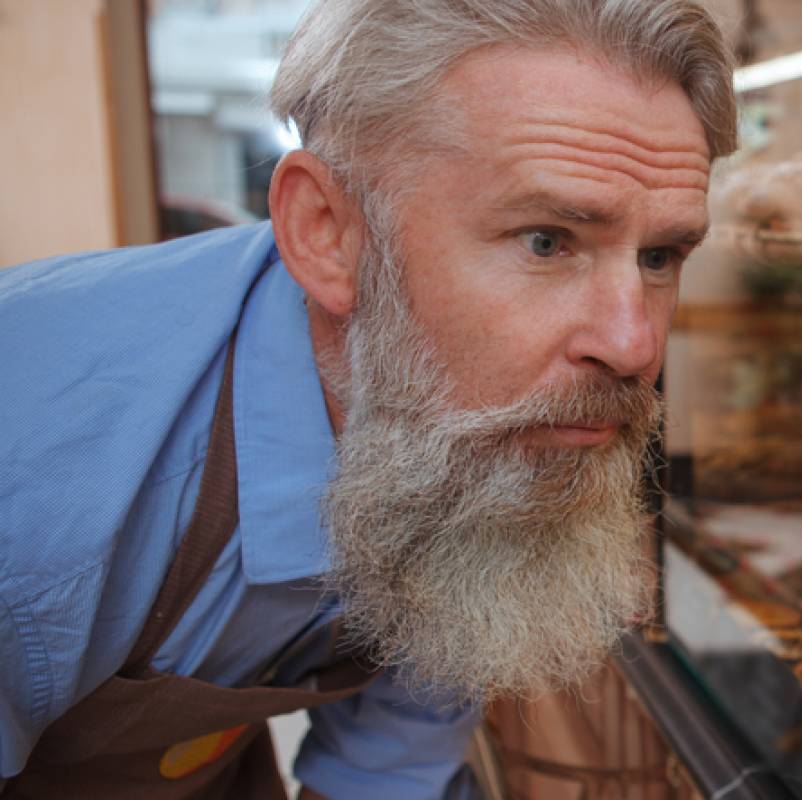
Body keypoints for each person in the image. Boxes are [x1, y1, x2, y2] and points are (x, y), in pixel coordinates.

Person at [0, 0, 735, 796]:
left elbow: (388, 766)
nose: (635, 347)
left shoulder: (460, 433)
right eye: (546, 241)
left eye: (661, 254)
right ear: (328, 233)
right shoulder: (38, 492)